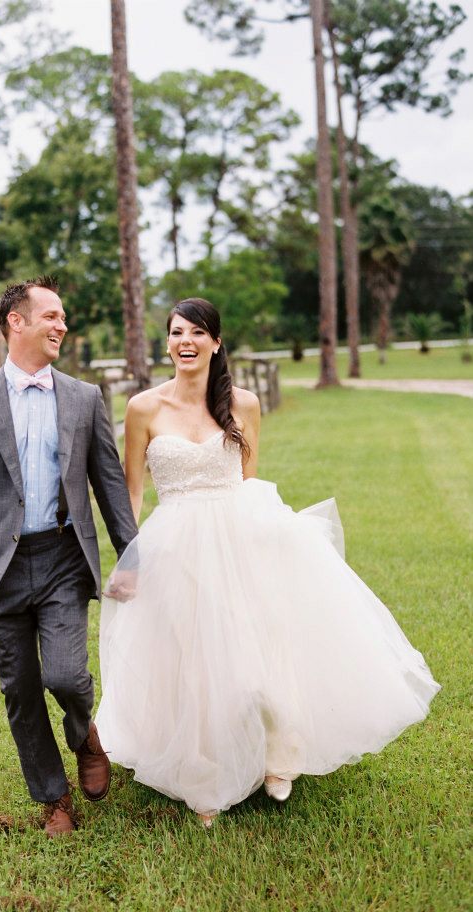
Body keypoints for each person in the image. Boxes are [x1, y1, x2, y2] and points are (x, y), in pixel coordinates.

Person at [97, 297, 440, 828]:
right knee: (194, 658)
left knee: (260, 646)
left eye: (197, 332)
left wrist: (270, 543)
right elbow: (132, 495)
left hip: (241, 535)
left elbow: (249, 480)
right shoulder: (143, 408)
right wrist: (130, 558)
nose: (185, 341)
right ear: (167, 343)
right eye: (176, 332)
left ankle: (279, 755)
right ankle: (203, 777)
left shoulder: (245, 404)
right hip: (176, 544)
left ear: (215, 342)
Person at [0, 276, 138, 837]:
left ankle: (84, 735)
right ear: (15, 323)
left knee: (67, 675)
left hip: (62, 560)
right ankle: (54, 799)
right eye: (51, 315)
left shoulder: (84, 398)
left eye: (63, 316)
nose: (62, 325)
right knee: (21, 690)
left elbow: (109, 484)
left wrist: (133, 554)